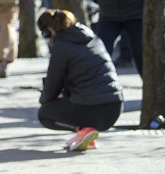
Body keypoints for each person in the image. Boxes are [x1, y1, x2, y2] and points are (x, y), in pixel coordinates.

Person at [37, 9, 124, 152]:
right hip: (115, 108)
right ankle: (85, 134)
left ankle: (84, 131)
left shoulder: (61, 47)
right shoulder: (93, 38)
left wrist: (47, 98)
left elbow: (51, 87)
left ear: (47, 32)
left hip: (92, 108)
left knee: (45, 113)